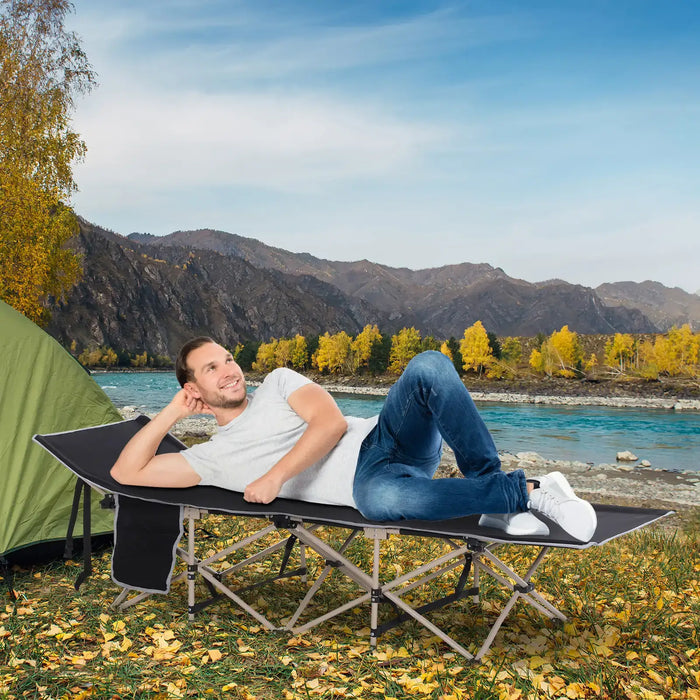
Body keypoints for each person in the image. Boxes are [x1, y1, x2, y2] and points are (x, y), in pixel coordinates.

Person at [111, 337, 597, 542]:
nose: (229, 371)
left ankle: (501, 491)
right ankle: (523, 494)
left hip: (384, 443)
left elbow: (332, 425)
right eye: (211, 369)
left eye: (229, 359)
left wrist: (275, 476)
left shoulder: (280, 382)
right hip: (381, 489)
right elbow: (126, 472)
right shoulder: (210, 459)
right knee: (376, 498)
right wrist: (172, 411)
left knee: (428, 364)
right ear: (194, 386)